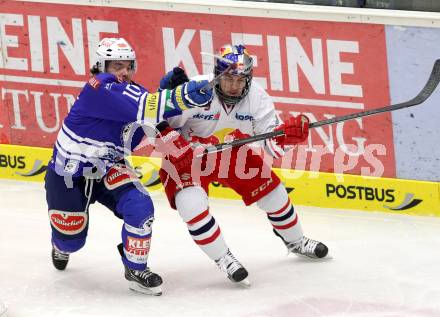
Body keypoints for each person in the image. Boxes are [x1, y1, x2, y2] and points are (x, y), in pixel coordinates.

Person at [44, 37, 213, 295]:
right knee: (71, 242)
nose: (124, 71)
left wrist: (185, 142)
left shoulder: (134, 90)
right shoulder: (98, 86)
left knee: (140, 206)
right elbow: (148, 107)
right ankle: (60, 245)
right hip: (69, 173)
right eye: (116, 66)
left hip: (109, 167)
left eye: (128, 66)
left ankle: (135, 267)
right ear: (102, 67)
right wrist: (180, 96)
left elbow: (158, 121)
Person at [158, 44, 329, 286]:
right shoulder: (196, 89)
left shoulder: (257, 98)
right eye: (229, 77)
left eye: (242, 78)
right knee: (192, 206)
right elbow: (163, 124)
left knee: (274, 195)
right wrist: (168, 98)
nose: (235, 85)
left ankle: (296, 241)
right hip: (188, 156)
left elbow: (272, 146)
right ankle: (223, 258)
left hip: (232, 153)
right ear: (217, 75)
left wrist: (289, 137)